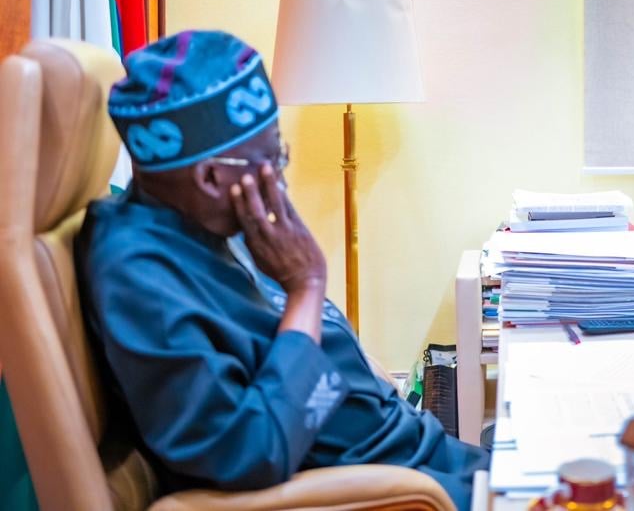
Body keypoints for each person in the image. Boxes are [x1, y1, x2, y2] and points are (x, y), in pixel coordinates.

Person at [76, 30, 489, 508]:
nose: (279, 172)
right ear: (210, 176)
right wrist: (307, 288)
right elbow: (250, 453)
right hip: (404, 489)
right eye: (272, 155)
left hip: (421, 453)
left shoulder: (206, 224)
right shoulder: (138, 275)